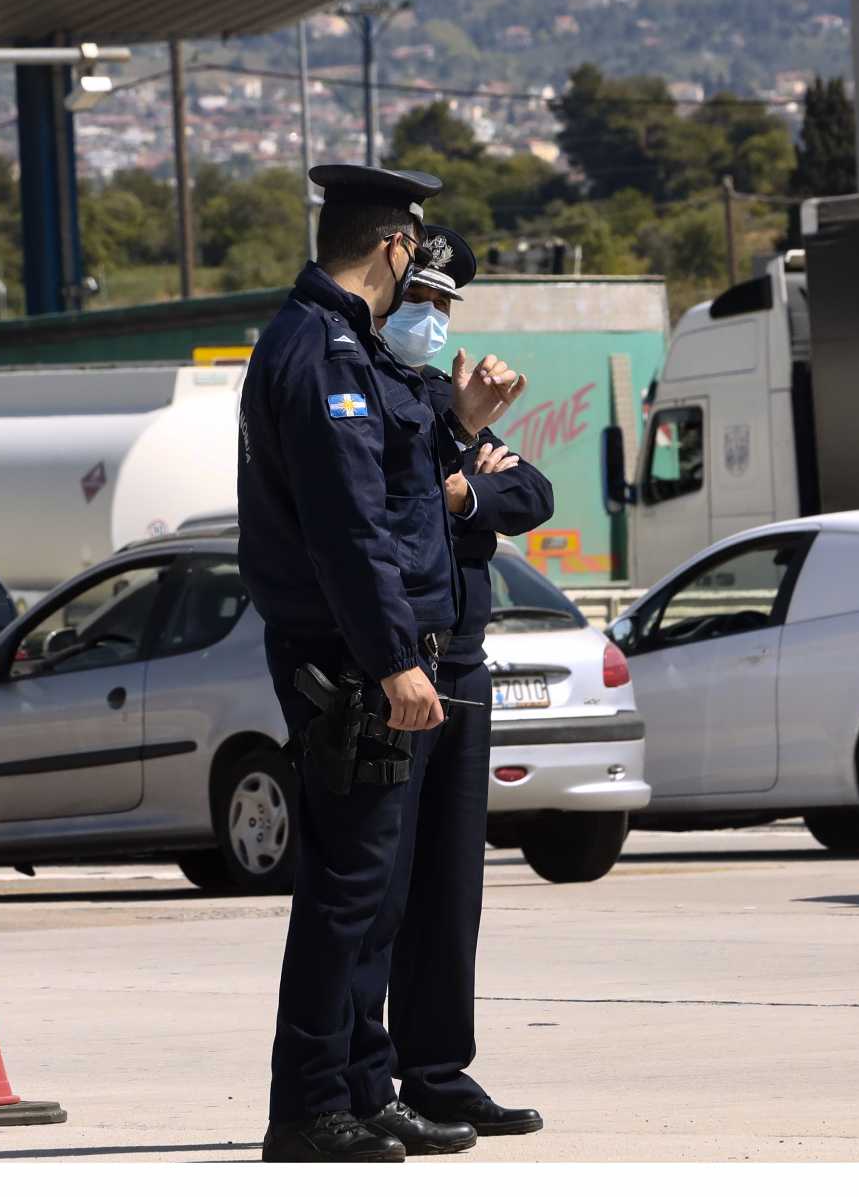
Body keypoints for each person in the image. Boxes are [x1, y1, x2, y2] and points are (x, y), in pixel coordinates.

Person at [236, 165, 522, 1163]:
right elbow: (349, 531)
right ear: (397, 245)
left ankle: (364, 1086)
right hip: (349, 664)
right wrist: (396, 658)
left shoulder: (345, 347)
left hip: (376, 656)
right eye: (418, 256)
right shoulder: (318, 351)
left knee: (380, 891)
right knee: (348, 890)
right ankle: (310, 1105)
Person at [385, 224, 551, 1138]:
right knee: (388, 883)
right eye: (422, 301)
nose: (433, 320)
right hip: (399, 665)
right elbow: (397, 497)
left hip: (462, 665)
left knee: (453, 884)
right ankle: (365, 1075)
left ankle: (439, 1070)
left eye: (446, 305)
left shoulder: (441, 404)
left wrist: (466, 492)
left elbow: (532, 492)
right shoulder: (383, 389)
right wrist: (460, 451)